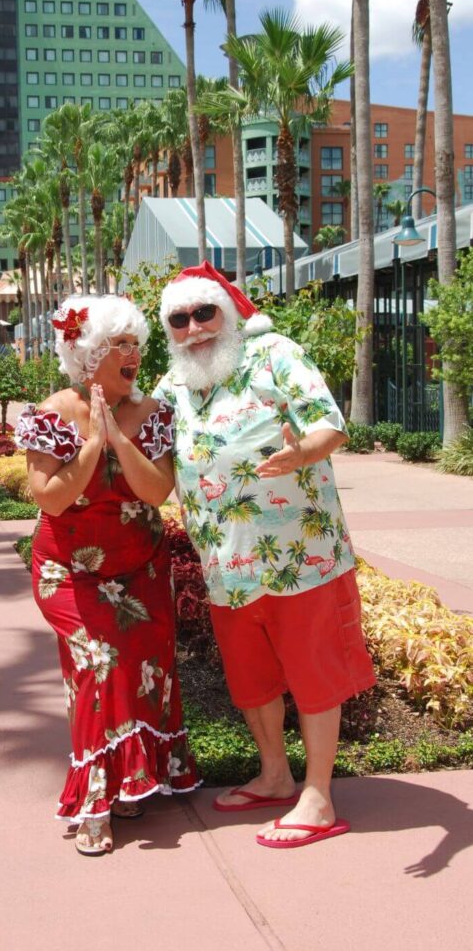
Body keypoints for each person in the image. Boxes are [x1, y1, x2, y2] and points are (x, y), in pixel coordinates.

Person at [153, 261, 376, 850]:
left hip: (301, 556)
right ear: (169, 329)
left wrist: (301, 455)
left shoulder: (273, 352)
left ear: (227, 314)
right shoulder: (169, 386)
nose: (195, 328)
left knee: (313, 675)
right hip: (226, 566)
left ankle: (320, 796)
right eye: (180, 319)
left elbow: (329, 425)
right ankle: (275, 775)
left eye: (206, 313)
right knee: (251, 679)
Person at [15, 295, 199, 857]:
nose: (132, 355)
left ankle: (133, 780)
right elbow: (49, 496)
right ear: (88, 355)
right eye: (119, 345)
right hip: (69, 570)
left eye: (135, 344)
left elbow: (157, 492)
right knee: (99, 664)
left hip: (141, 565)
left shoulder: (154, 413)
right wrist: (94, 442)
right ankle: (95, 800)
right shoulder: (52, 414)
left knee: (145, 662)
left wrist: (120, 437)